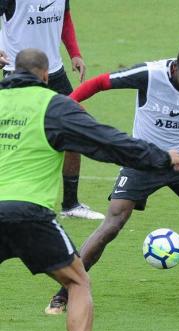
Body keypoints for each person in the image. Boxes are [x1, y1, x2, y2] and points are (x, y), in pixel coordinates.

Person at [0, 48, 179, 331]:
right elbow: (107, 141)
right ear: (44, 75)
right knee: (76, 281)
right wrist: (160, 158)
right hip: (29, 213)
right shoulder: (52, 106)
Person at [45, 43, 179, 314]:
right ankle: (65, 291)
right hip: (142, 158)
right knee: (111, 224)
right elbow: (101, 82)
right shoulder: (150, 74)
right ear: (175, 68)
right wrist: (64, 107)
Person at [0, 0, 104, 219]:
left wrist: (74, 53)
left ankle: (70, 204)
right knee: (18, 139)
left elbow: (64, 17)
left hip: (54, 73)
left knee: (74, 129)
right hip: (20, 73)